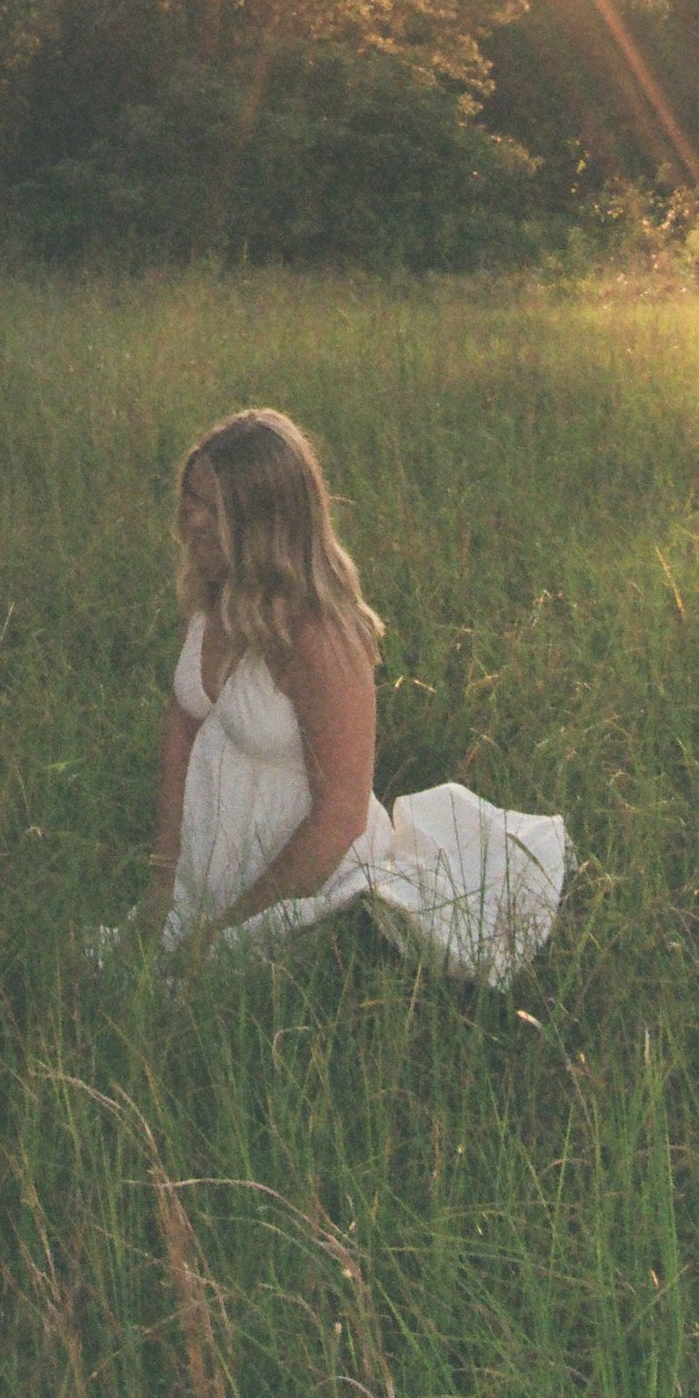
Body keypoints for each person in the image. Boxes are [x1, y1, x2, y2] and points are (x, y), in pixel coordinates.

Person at [136, 408, 567, 989]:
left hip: (301, 886)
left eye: (211, 509)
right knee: (120, 978)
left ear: (264, 524)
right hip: (209, 876)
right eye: (189, 498)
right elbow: (182, 727)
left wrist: (227, 933)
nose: (188, 520)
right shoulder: (218, 597)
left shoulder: (321, 638)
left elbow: (338, 816)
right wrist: (165, 880)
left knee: (195, 1002)